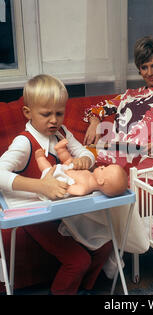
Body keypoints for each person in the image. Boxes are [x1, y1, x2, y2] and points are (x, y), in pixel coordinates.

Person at [0, 74, 112, 295]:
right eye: (46, 114)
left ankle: (85, 289)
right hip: (37, 217)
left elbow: (84, 153)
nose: (53, 120)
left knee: (105, 245)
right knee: (78, 261)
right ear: (27, 112)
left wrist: (84, 160)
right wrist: (40, 186)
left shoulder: (62, 133)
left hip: (64, 210)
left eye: (59, 113)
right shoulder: (25, 142)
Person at [83, 36, 153, 184]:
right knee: (82, 157)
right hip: (121, 152)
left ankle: (114, 183)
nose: (149, 73)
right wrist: (94, 122)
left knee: (125, 177)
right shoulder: (129, 95)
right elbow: (95, 109)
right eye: (144, 67)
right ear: (139, 68)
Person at [35, 139, 128, 197]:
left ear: (100, 180)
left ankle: (40, 157)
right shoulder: (91, 175)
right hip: (67, 170)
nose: (102, 166)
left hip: (56, 179)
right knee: (70, 160)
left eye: (103, 169)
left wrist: (65, 184)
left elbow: (68, 190)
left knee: (47, 169)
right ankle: (60, 149)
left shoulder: (84, 188)